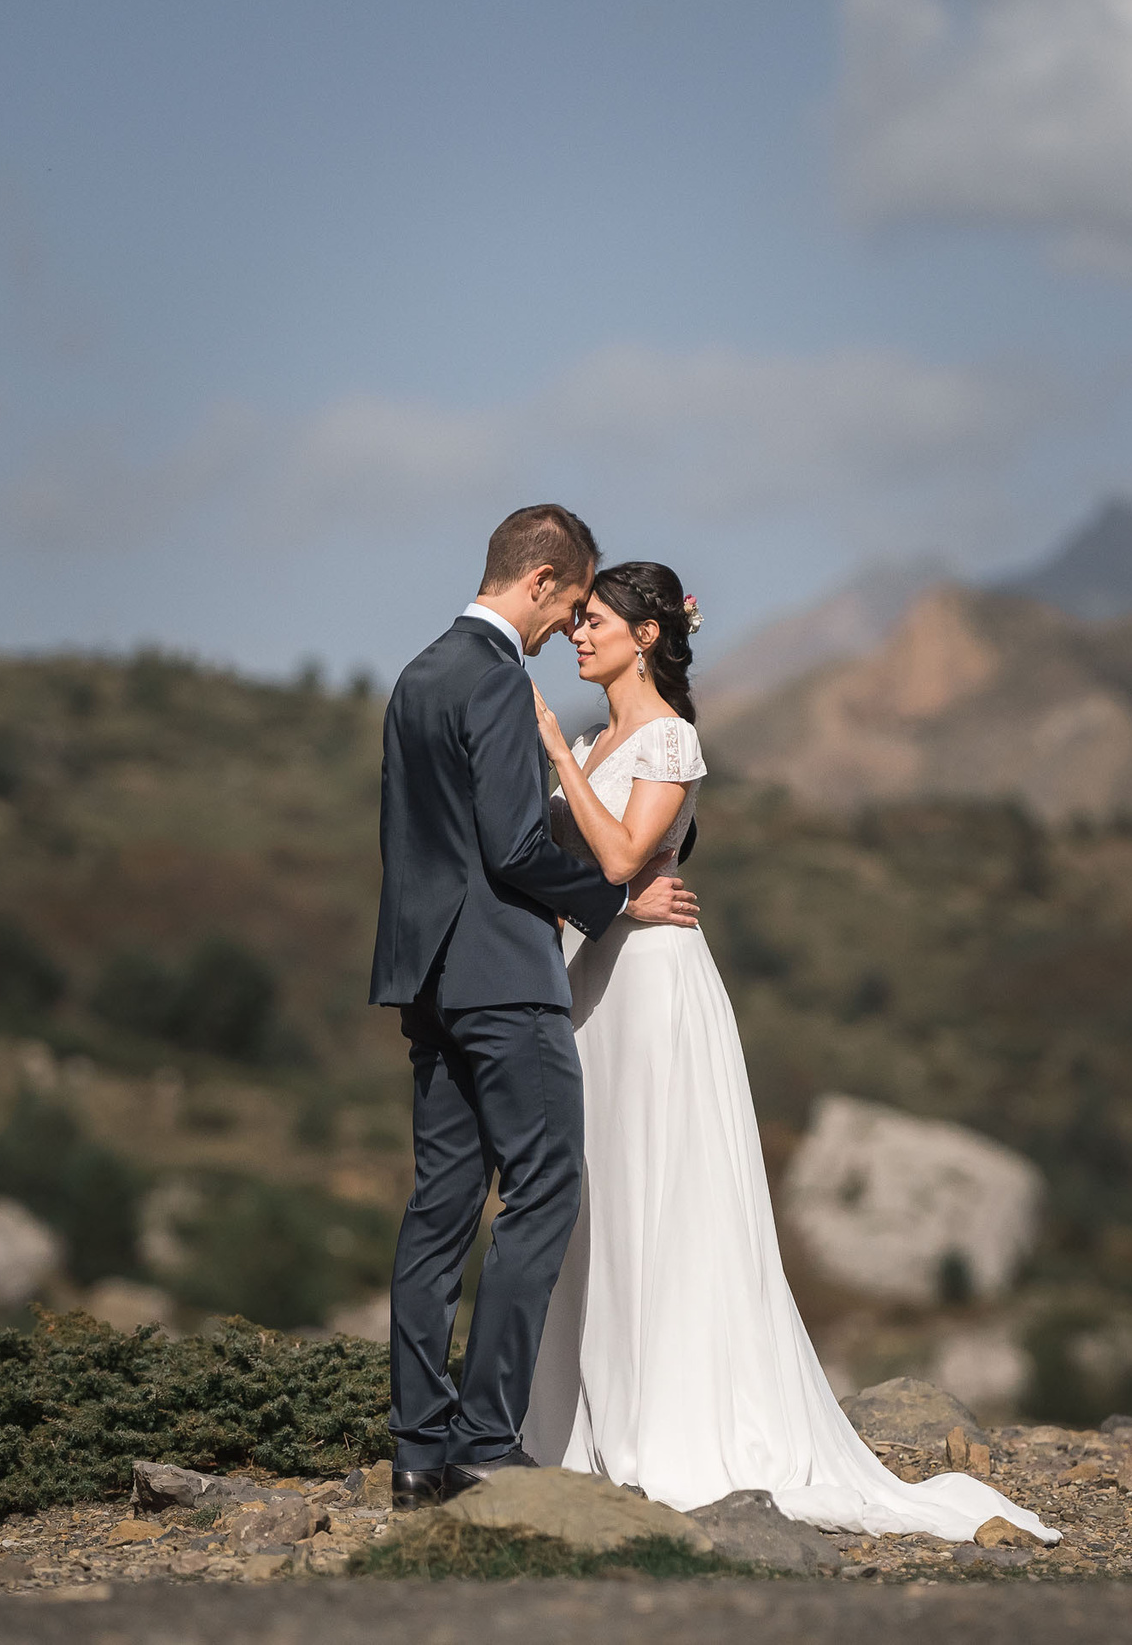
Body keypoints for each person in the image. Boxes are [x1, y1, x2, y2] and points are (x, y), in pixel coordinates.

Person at [520, 560, 1057, 1545]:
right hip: (590, 989)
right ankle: (584, 1428)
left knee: (664, 1197)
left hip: (656, 992)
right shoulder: (602, 741)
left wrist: (555, 754)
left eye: (592, 621)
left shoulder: (669, 740)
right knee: (597, 1202)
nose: (574, 635)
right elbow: (567, 880)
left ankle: (671, 1426)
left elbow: (616, 858)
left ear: (645, 636)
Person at [370, 505, 701, 1513]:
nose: (570, 628)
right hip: (507, 984)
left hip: (425, 982)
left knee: (436, 1214)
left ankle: (417, 1453)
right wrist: (617, 898)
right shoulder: (497, 684)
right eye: (572, 603)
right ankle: (484, 1438)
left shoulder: (416, 676)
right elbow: (513, 848)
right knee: (546, 1192)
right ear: (548, 577)